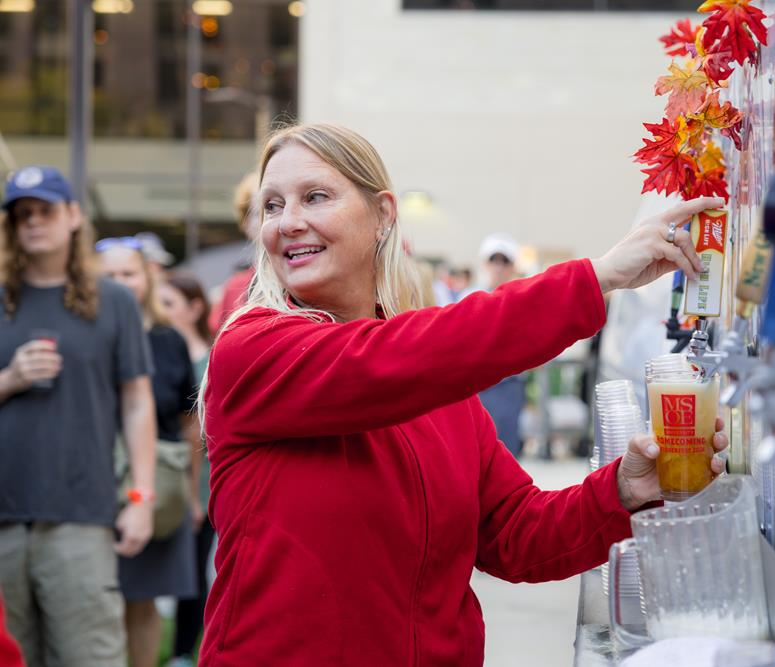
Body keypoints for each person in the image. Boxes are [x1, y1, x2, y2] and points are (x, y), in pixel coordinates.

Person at [197, 123, 728, 666]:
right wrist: (594, 279)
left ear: (383, 215)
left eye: (315, 197)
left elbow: (518, 532)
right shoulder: (253, 349)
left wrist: (623, 489)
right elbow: (397, 359)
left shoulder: (437, 382)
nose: (288, 222)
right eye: (272, 206)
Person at [0, 166, 156, 667]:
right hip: (3, 521)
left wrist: (142, 497)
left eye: (46, 210)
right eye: (22, 214)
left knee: (91, 658)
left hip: (82, 516)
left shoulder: (113, 301)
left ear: (73, 216)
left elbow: (138, 402)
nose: (33, 222)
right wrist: (10, 379)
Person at [96, 239, 198, 667]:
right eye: (110, 275)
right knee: (97, 602)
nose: (120, 283)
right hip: (97, 481)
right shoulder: (88, 333)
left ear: (147, 278)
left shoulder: (168, 339)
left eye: (129, 273)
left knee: (144, 600)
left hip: (157, 482)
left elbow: (188, 421)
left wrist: (192, 495)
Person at [158, 271, 214, 667]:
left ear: (195, 308)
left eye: (169, 304)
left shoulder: (216, 354)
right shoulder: (157, 352)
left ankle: (183, 652)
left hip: (205, 477)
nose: (161, 313)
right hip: (164, 471)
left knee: (196, 566)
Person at [471, 233, 529, 456]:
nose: (498, 266)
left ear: (512, 266)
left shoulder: (522, 299)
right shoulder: (470, 298)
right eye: (493, 260)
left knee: (505, 454)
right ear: (485, 263)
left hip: (508, 387)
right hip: (475, 387)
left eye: (504, 261)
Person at [208, 173, 258, 334]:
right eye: (259, 212)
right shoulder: (235, 287)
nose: (268, 218)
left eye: (275, 207)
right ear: (246, 223)